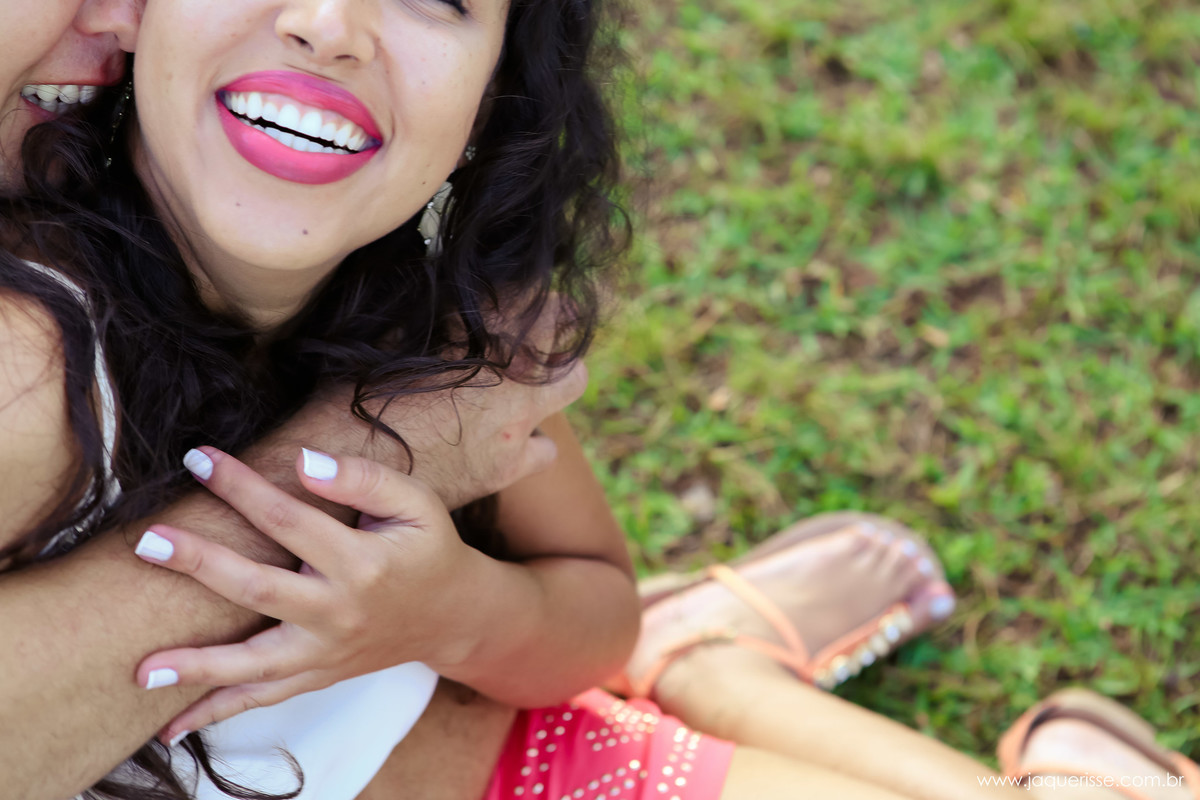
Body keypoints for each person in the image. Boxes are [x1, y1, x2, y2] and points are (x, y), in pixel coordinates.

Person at [3, 2, 1194, 800]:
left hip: (537, 766)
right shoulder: (34, 361)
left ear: (492, 105)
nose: (327, 23)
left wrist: (452, 610)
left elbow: (591, 612)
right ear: (134, 22)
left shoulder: (448, 342)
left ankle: (720, 675)